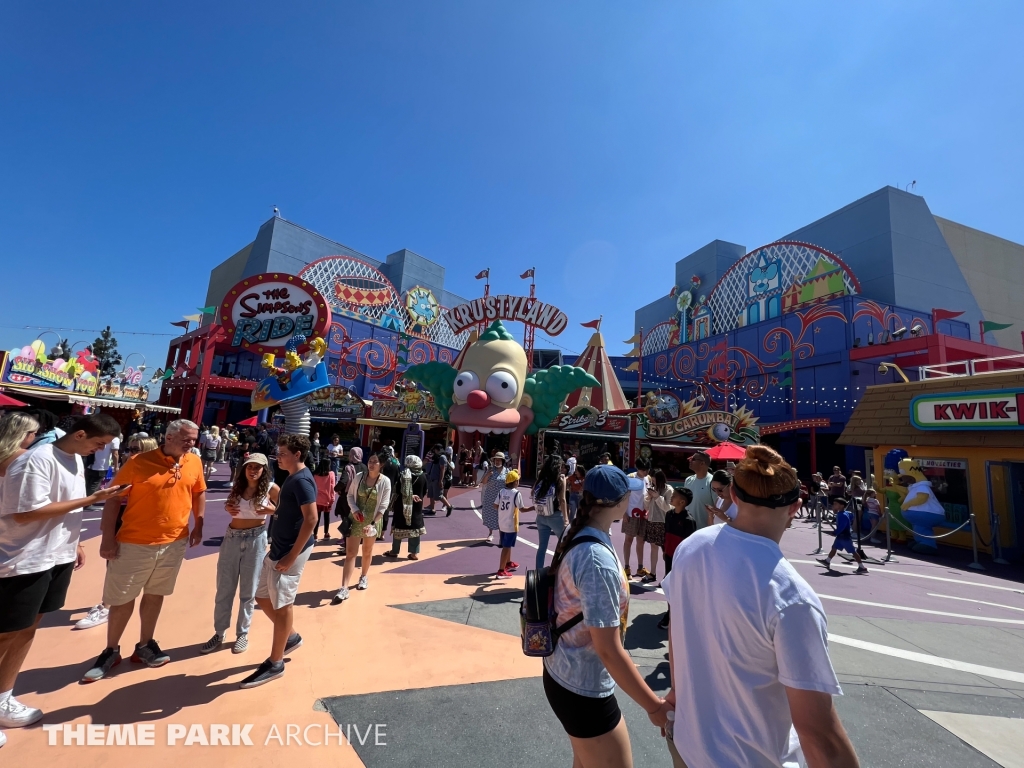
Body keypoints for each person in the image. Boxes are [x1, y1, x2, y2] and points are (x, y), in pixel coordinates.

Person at [663, 445, 860, 767]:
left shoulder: (692, 546)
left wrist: (677, 691)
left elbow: (677, 626)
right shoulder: (791, 597)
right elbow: (818, 733)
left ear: (734, 496)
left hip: (689, 745)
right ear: (795, 507)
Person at [0, 415, 125, 735]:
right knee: (7, 634)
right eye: (98, 443)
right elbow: (25, 513)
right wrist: (93, 499)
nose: (100, 450)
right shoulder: (36, 460)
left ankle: (3, 698)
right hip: (24, 559)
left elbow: (64, 505)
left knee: (28, 629)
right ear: (80, 434)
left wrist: (75, 541)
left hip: (55, 556)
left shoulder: (75, 459)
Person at [543, 464, 670, 767]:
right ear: (619, 502)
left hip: (564, 672)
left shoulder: (581, 532)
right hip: (583, 688)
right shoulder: (597, 559)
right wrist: (654, 707)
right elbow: (608, 649)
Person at [82, 419, 207, 683]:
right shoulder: (138, 462)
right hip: (134, 543)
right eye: (186, 439)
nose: (191, 444)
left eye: (194, 439)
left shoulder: (194, 462)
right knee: (122, 598)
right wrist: (107, 538)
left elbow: (198, 493)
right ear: (169, 437)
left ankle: (145, 645)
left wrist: (199, 525)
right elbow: (114, 498)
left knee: (155, 594)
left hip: (174, 543)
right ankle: (111, 650)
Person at [239, 434, 317, 688]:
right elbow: (293, 512)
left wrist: (292, 555)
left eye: (282, 453)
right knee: (262, 596)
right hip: (279, 549)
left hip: (290, 552)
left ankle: (275, 663)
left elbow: (311, 519)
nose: (278, 458)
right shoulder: (292, 478)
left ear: (297, 454)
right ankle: (290, 637)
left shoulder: (302, 480)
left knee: (283, 605)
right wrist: (274, 511)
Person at [74, 435, 160, 632]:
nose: (130, 453)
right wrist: (107, 534)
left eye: (136, 449)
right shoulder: (126, 470)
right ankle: (106, 606)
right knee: (114, 563)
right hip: (121, 520)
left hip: (142, 526)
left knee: (139, 572)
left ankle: (113, 605)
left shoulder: (152, 475)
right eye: (129, 449)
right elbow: (112, 505)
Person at [201, 453, 279, 656]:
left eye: (257, 467)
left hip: (256, 539)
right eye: (250, 466)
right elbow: (231, 506)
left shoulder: (271, 488)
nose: (253, 470)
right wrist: (228, 506)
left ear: (264, 470)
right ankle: (219, 633)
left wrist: (272, 510)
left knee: (248, 590)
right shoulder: (238, 486)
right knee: (224, 588)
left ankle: (242, 634)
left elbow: (286, 511)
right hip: (232, 538)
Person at [332, 453, 391, 603]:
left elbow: (383, 505)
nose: (371, 464)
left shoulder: (385, 481)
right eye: (370, 461)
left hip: (372, 521)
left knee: (367, 551)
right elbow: (350, 496)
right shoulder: (359, 477)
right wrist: (354, 510)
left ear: (381, 465)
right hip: (356, 519)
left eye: (375, 462)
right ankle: (344, 587)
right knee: (351, 553)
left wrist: (373, 523)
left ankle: (364, 576)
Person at [658, 487, 693, 630]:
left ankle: (675, 614)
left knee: (679, 587)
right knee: (669, 585)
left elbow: (689, 544)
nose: (671, 498)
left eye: (674, 496)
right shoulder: (669, 514)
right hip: (669, 556)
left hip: (680, 560)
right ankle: (670, 612)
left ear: (682, 502)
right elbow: (665, 534)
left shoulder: (688, 521)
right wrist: (664, 550)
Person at [384, 454, 427, 560]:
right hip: (417, 506)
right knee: (415, 528)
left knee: (399, 527)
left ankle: (394, 551)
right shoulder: (422, 475)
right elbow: (425, 490)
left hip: (402, 506)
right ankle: (414, 553)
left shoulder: (404, 475)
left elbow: (398, 490)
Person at [494, 470, 533, 578]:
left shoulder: (501, 491)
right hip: (511, 524)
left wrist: (504, 510)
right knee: (506, 547)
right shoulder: (516, 493)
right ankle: (501, 570)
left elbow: (495, 505)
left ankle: (508, 562)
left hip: (502, 522)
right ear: (515, 482)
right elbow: (522, 509)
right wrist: (534, 508)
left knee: (507, 544)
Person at [532, 455, 568, 571]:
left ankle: (538, 572)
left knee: (542, 547)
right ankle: (562, 570)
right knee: (565, 545)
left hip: (541, 516)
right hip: (555, 516)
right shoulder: (560, 479)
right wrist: (566, 519)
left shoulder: (541, 478)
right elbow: (562, 500)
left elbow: (533, 493)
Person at [817, 498, 868, 575]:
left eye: (835, 504)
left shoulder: (842, 515)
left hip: (844, 536)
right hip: (841, 536)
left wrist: (835, 532)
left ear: (842, 505)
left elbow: (842, 526)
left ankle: (862, 567)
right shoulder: (844, 513)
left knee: (853, 551)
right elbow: (852, 516)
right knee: (834, 547)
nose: (833, 505)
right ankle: (827, 561)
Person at [621, 457, 651, 579]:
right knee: (628, 540)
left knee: (641, 541)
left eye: (647, 469)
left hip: (644, 514)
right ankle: (626, 568)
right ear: (638, 468)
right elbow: (624, 495)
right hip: (631, 513)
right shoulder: (630, 477)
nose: (646, 472)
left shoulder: (648, 478)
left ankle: (640, 567)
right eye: (644, 470)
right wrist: (624, 513)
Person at [641, 469, 672, 584]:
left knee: (665, 550)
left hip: (663, 522)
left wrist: (658, 497)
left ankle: (667, 575)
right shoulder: (653, 488)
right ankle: (652, 573)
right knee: (653, 547)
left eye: (654, 480)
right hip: (652, 521)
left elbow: (668, 508)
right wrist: (649, 497)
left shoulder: (668, 490)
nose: (653, 482)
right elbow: (646, 506)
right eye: (652, 480)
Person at [479, 452, 507, 542]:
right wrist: (488, 474)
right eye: (496, 460)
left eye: (499, 460)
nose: (497, 462)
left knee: (502, 517)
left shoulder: (507, 471)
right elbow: (483, 482)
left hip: (502, 498)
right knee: (490, 515)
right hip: (490, 497)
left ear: (503, 461)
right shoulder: (490, 470)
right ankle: (490, 533)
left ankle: (501, 536)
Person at [683, 450, 714, 530]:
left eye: (693, 459)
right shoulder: (688, 480)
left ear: (702, 463)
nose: (690, 461)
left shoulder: (712, 482)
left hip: (704, 530)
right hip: (687, 528)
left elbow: (717, 507)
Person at [88, 426, 122, 495]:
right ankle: (88, 500)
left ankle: (84, 499)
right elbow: (115, 454)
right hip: (101, 466)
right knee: (94, 487)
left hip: (90, 464)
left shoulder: (99, 435)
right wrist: (116, 467)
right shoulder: (115, 439)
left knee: (87, 484)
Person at [378, 446, 401, 540]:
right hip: (389, 489)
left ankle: (375, 531)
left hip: (378, 488)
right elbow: (398, 478)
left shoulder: (380, 463)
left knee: (376, 509)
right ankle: (382, 533)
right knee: (385, 510)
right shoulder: (395, 463)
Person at [423, 444, 452, 516]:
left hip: (437, 478)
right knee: (431, 494)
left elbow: (443, 469)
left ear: (437, 449)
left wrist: (440, 480)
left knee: (439, 495)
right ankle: (432, 509)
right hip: (431, 478)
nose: (434, 451)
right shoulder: (436, 456)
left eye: (435, 449)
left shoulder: (442, 457)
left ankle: (449, 506)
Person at [312, 458, 336, 542]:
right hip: (327, 499)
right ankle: (326, 533)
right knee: (327, 517)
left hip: (317, 499)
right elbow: (332, 487)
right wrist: (332, 498)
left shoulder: (315, 475)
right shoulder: (331, 474)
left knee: (317, 517)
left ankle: (315, 534)